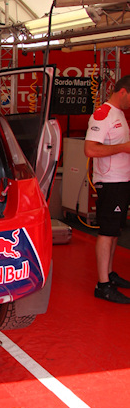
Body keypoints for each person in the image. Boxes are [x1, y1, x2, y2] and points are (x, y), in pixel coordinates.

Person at [84, 75, 130, 303]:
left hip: (122, 180)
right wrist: (124, 148)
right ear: (123, 92)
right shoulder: (102, 114)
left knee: (114, 231)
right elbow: (90, 150)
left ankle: (109, 274)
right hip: (110, 181)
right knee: (107, 231)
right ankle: (102, 285)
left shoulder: (119, 113)